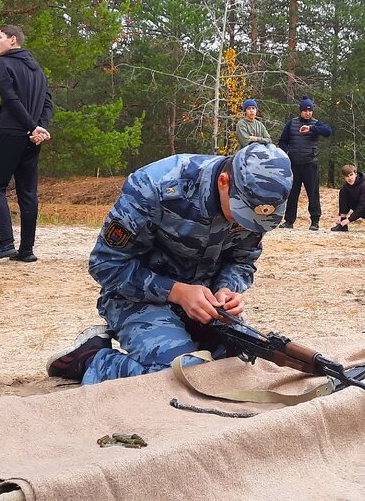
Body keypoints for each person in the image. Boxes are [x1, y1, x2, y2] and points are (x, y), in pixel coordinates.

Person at [45, 143, 293, 384]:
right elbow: (105, 264)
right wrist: (177, 292)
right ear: (224, 182)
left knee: (244, 364)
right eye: (241, 213)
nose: (247, 224)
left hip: (206, 306)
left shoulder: (256, 209)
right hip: (137, 300)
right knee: (183, 374)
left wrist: (227, 290)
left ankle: (186, 340)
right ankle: (92, 359)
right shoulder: (155, 186)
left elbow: (242, 261)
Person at [0, 25, 53, 263]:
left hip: (11, 132)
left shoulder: (3, 63)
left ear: (13, 40)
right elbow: (47, 104)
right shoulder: (39, 70)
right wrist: (39, 128)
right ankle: (27, 250)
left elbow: (9, 98)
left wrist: (33, 127)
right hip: (32, 137)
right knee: (27, 193)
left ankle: (5, 243)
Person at [276, 96, 332, 230]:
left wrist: (312, 129)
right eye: (305, 110)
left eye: (310, 110)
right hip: (294, 165)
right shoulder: (291, 123)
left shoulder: (316, 124)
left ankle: (315, 221)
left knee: (313, 194)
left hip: (310, 164)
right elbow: (282, 141)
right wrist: (288, 152)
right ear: (300, 111)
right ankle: (289, 221)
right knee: (293, 193)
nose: (308, 113)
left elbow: (328, 131)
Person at [331, 164, 365, 232]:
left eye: (351, 175)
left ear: (355, 174)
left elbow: (364, 205)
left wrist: (349, 219)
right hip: (358, 207)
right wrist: (341, 216)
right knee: (343, 192)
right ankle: (343, 226)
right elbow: (343, 203)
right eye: (347, 176)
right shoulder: (345, 187)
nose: (349, 178)